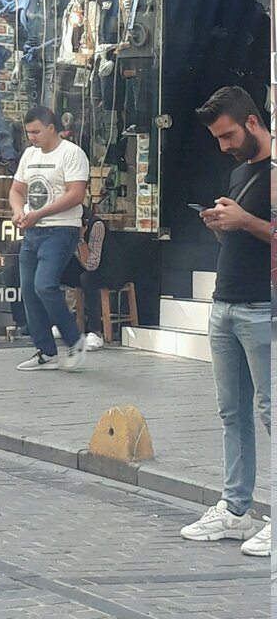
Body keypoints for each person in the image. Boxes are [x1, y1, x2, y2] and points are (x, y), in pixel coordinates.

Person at [180, 87, 271, 557]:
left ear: (253, 122)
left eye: (229, 135)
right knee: (232, 413)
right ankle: (236, 510)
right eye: (217, 138)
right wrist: (223, 224)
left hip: (264, 307)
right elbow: (244, 236)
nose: (223, 146)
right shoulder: (240, 172)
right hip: (226, 303)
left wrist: (245, 222)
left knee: (271, 411)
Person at [11, 106, 89, 371]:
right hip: (33, 230)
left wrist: (39, 213)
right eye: (28, 132)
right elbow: (17, 190)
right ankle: (45, 351)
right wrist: (19, 211)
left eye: (36, 132)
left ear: (52, 128)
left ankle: (74, 340)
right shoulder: (29, 155)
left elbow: (76, 194)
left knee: (44, 285)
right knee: (29, 290)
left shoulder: (71, 153)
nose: (31, 137)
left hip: (61, 228)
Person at [59, 205, 127, 349]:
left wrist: (80, 239)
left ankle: (95, 331)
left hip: (109, 270)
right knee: (57, 273)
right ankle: (63, 321)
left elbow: (91, 265)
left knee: (87, 279)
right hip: (83, 266)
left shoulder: (96, 226)